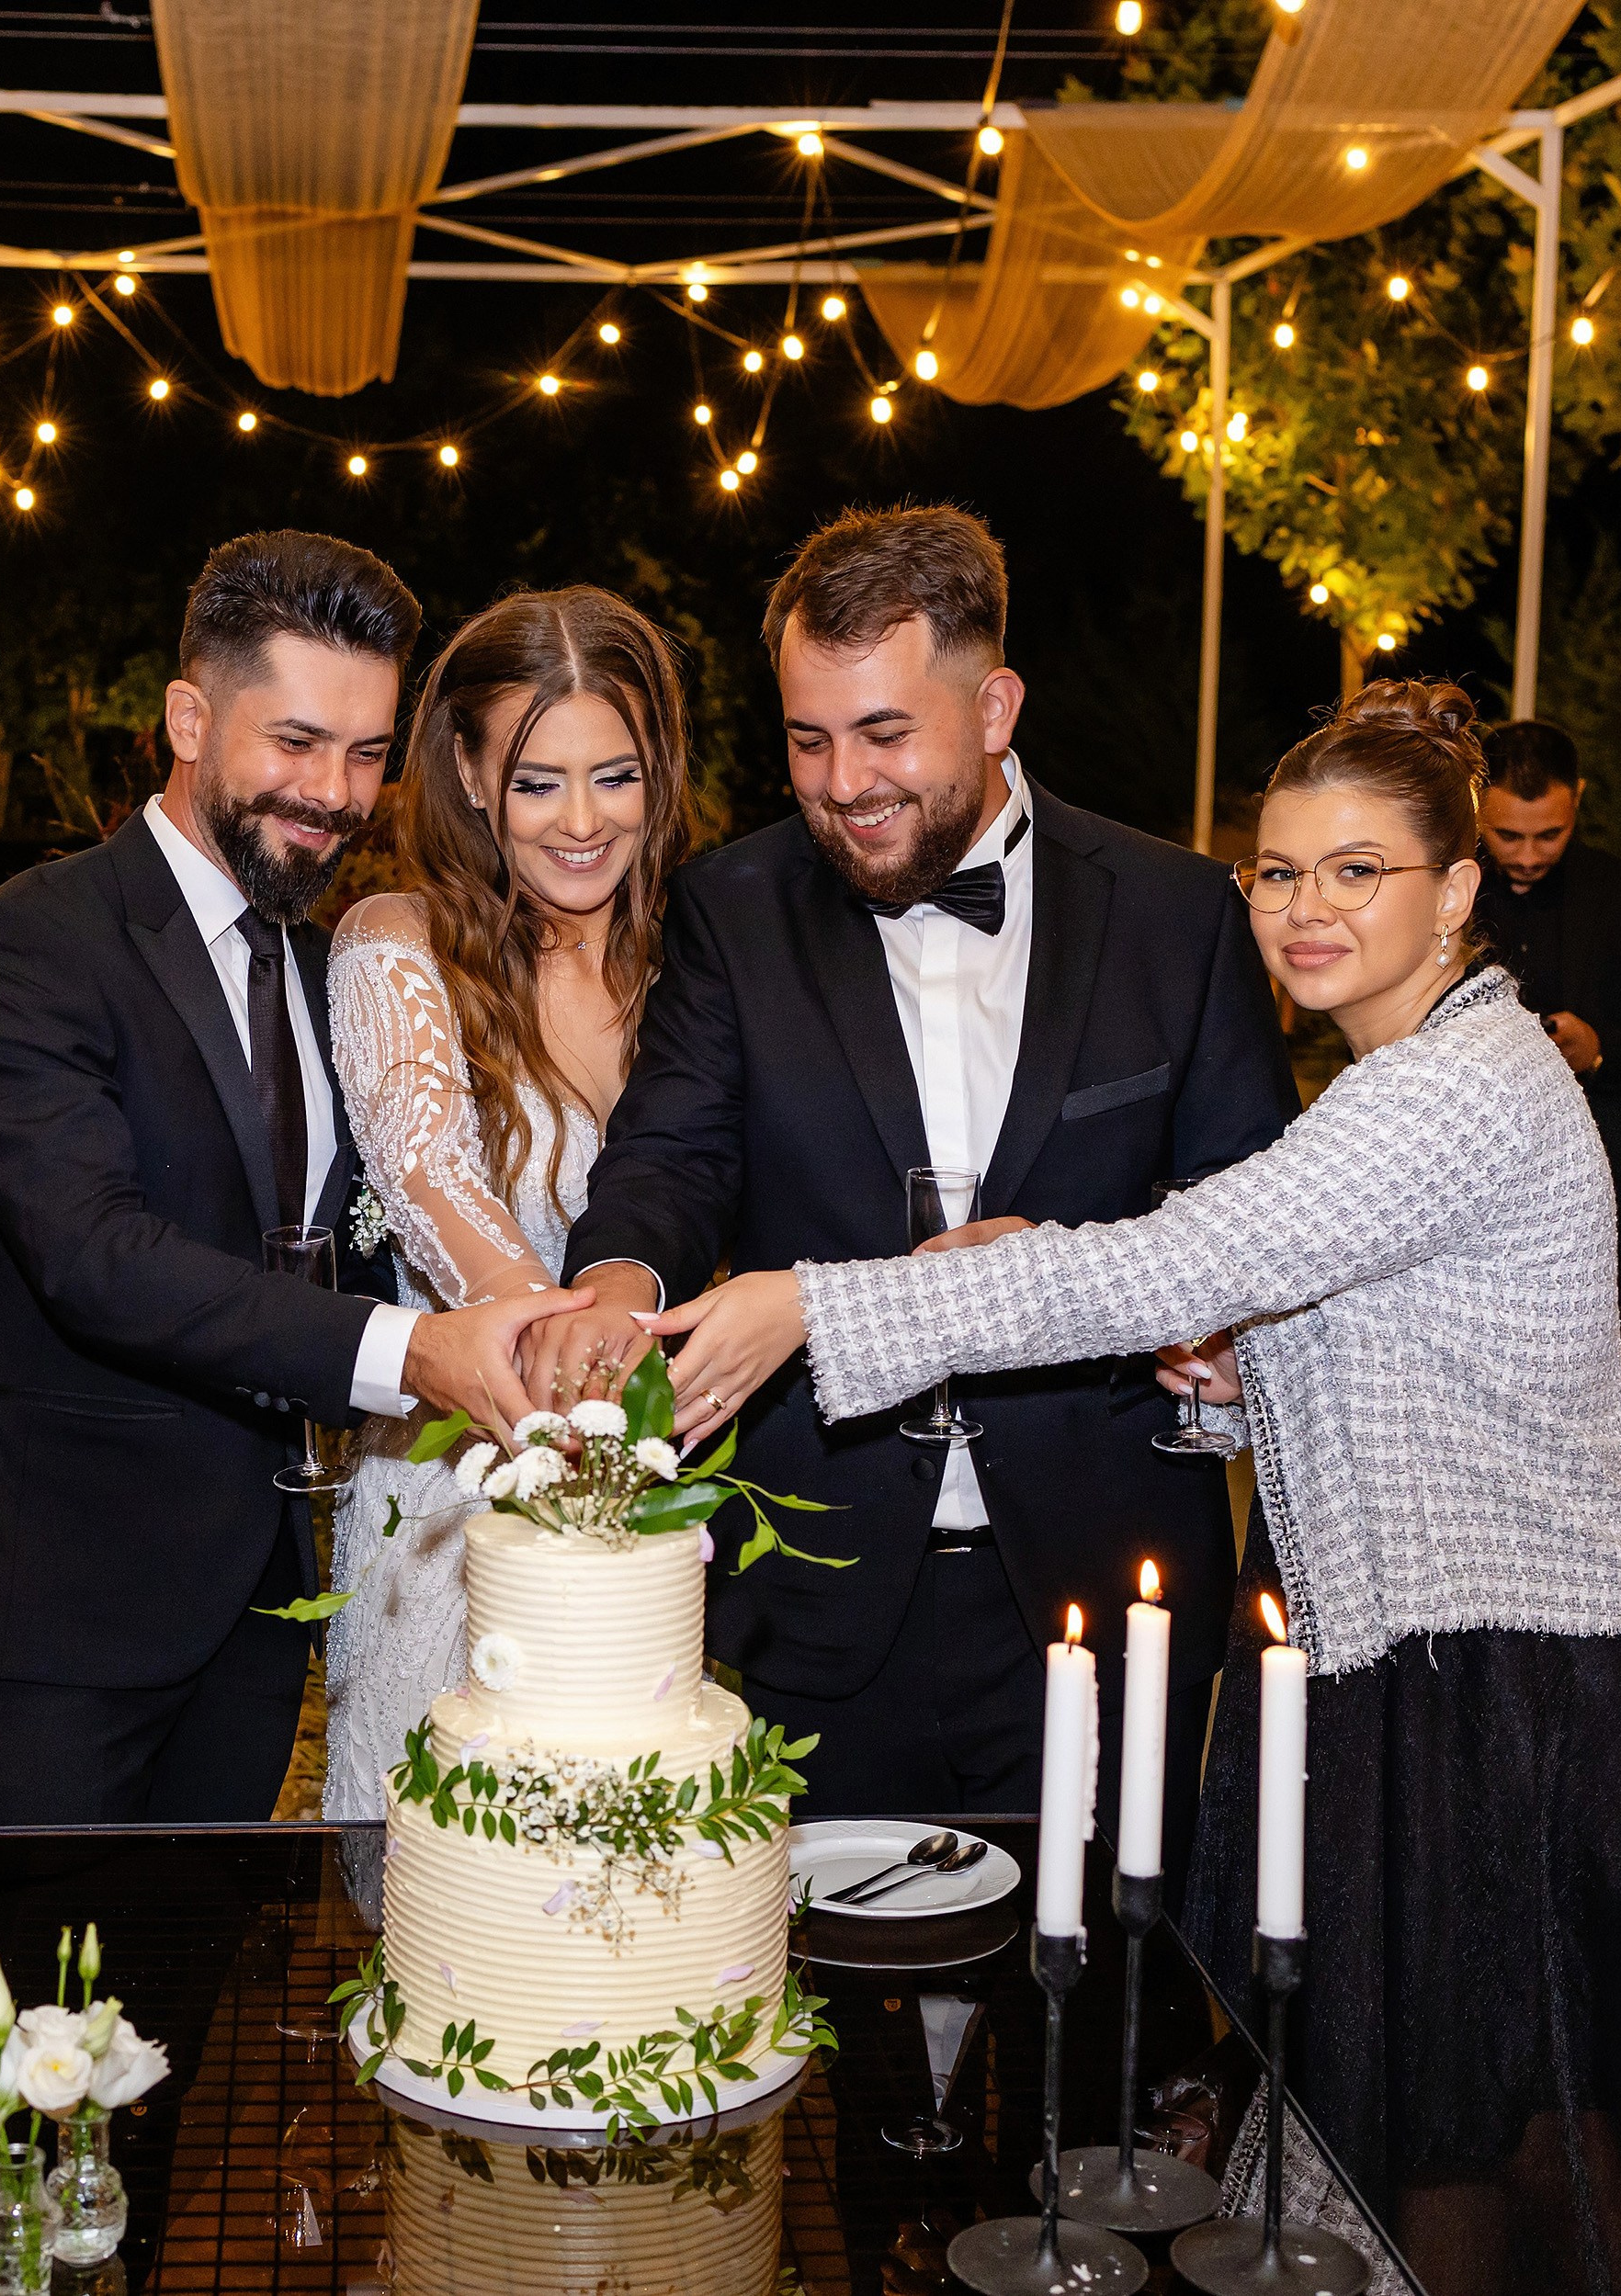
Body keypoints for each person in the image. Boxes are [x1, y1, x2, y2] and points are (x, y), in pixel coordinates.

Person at [650, 680, 1621, 2293]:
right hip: (1435, 1670)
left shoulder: (1453, 1085)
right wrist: (1233, 1372)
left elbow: (1184, 1254)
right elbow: (1317, 1331)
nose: (1303, 908)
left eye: (1358, 870)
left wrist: (818, 1299)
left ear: (1457, 889)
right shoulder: (1406, 1077)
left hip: (1519, 1693)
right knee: (1452, 2156)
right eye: (1276, 871)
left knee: (1518, 2167)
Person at [540, 503, 1298, 1861]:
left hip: (1102, 1574)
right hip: (819, 1583)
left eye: (885, 733)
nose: (841, 782)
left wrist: (1224, 1336)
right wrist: (616, 1279)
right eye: (807, 737)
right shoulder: (735, 903)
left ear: (996, 705)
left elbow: (1248, 1209)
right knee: (834, 2036)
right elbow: (674, 1153)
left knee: (1094, 2019)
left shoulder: (1178, 912)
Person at [0, 530, 579, 1868]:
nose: (335, 793)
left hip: (254, 1604)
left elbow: (368, 1221)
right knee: (37, 2034)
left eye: (369, 752)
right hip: (52, 1606)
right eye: (298, 742)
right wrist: (410, 1352)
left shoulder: (337, 968)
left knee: (181, 2024)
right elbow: (96, 1255)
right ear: (190, 719)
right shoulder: (29, 944)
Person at [321, 587, 700, 1818]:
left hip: (663, 1509)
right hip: (453, 1499)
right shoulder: (399, 944)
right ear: (472, 778)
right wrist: (582, 1374)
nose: (584, 822)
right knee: (446, 1889)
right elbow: (431, 1182)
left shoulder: (700, 962)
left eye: (616, 774)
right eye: (538, 781)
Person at [1476, 718, 1621, 1377]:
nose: (1525, 855)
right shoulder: (1444, 891)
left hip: (1599, 1205)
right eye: (1506, 834)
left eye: (1550, 833)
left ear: (1578, 797)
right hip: (1473, 1201)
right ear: (1476, 806)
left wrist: (1601, 1051)